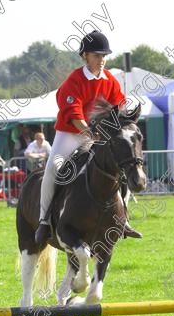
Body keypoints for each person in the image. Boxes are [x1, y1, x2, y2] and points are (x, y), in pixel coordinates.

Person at [35, 30, 127, 245]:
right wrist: (91, 134)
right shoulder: (74, 80)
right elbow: (74, 114)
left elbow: (119, 107)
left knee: (120, 168)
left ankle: (123, 218)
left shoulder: (110, 81)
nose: (101, 60)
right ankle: (44, 221)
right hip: (70, 134)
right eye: (97, 55)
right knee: (53, 167)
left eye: (104, 56)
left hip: (96, 136)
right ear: (85, 55)